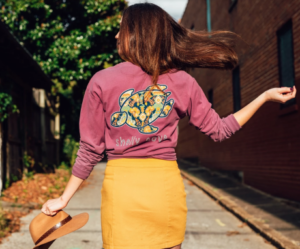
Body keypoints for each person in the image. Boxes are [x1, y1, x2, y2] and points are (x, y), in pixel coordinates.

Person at [41, 3, 297, 249]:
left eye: (122, 28)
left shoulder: (101, 81)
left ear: (138, 34)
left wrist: (64, 199)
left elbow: (90, 148)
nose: (117, 35)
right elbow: (220, 130)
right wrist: (263, 98)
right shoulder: (181, 81)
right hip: (165, 188)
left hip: (122, 190)